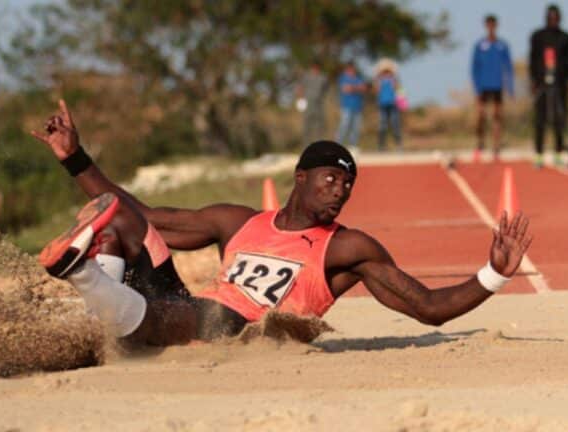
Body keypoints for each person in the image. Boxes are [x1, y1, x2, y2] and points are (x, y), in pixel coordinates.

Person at [30, 100, 533, 346]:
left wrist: (494, 274)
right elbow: (146, 215)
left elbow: (427, 308)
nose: (341, 189)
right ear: (301, 177)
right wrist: (74, 160)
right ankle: (97, 321)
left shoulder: (345, 248)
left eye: (348, 185)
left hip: (238, 331)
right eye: (331, 179)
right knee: (122, 227)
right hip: (185, 310)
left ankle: (83, 277)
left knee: (220, 317)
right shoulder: (240, 222)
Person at [529, 4, 568, 168]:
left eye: (556, 18)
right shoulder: (538, 36)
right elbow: (533, 59)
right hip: (542, 82)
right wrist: (533, 80)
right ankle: (539, 154)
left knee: (559, 118)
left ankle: (558, 152)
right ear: (546, 18)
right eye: (550, 18)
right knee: (540, 118)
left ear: (560, 18)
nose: (553, 21)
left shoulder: (565, 38)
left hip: (560, 82)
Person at [471, 14, 514, 162]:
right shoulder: (480, 46)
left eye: (493, 24)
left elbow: (508, 67)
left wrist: (510, 87)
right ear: (485, 26)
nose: (491, 27)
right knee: (481, 116)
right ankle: (480, 144)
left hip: (497, 86)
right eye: (488, 24)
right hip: (483, 86)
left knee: (497, 117)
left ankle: (496, 148)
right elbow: (474, 68)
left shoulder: (502, 45)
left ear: (496, 25)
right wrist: (476, 88)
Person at [296, 61, 330, 144]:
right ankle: (306, 145)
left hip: (319, 104)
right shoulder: (306, 76)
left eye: (316, 67)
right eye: (313, 67)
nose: (315, 69)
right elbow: (300, 88)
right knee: (307, 124)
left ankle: (319, 145)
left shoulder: (323, 77)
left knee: (319, 125)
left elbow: (326, 89)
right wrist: (300, 99)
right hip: (308, 104)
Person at [335, 62, 366, 150]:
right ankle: (338, 145)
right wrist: (357, 88)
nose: (352, 71)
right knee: (344, 126)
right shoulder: (343, 78)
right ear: (347, 69)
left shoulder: (358, 78)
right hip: (346, 107)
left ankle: (353, 146)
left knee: (355, 128)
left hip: (358, 107)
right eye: (350, 69)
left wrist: (353, 88)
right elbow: (345, 89)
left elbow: (363, 88)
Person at [374, 60, 402, 151]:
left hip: (393, 104)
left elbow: (397, 89)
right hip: (382, 104)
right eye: (384, 72)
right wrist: (378, 80)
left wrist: (393, 80)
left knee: (395, 125)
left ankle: (398, 145)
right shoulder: (379, 80)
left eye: (388, 71)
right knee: (382, 125)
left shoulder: (393, 79)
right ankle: (381, 146)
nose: (386, 73)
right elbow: (377, 90)